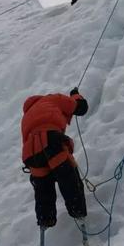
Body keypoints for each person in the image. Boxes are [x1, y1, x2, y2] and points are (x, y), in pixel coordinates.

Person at [21, 87, 89, 228]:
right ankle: (78, 212)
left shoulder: (26, 117)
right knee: (68, 177)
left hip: (31, 152)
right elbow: (80, 107)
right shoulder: (52, 99)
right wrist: (75, 95)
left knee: (43, 189)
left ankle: (46, 220)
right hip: (51, 140)